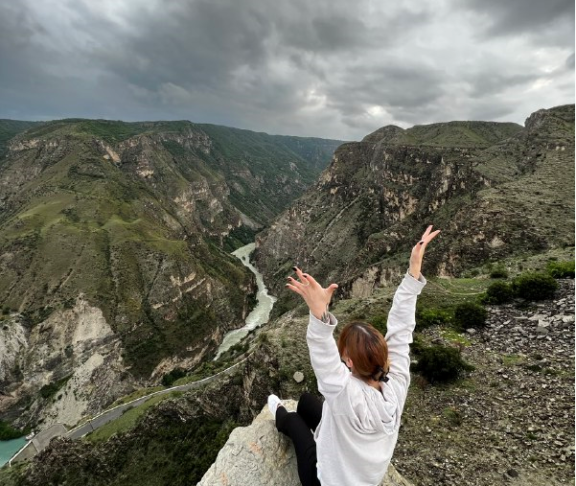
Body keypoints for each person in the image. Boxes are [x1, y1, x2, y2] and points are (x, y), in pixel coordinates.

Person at [267, 225, 440, 486]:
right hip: (365, 474)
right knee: (305, 401)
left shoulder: (346, 393)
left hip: (327, 480)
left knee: (293, 419)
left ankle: (279, 414)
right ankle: (299, 417)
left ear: (348, 362)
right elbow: (402, 330)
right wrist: (414, 271)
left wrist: (318, 312)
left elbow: (322, 354)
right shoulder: (397, 382)